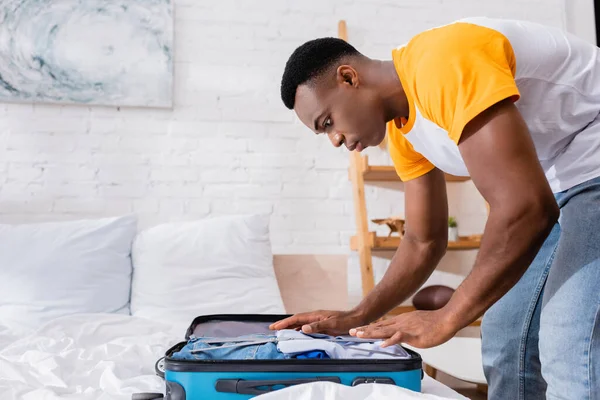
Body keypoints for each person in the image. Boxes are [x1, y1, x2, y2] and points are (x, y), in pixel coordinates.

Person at [270, 17, 600, 399]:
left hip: (591, 163)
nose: (334, 139)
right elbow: (423, 241)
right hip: (558, 183)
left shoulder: (443, 62)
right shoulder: (402, 128)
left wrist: (447, 317)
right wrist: (358, 316)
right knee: (507, 338)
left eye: (328, 122)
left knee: (568, 342)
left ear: (349, 78)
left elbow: (525, 208)